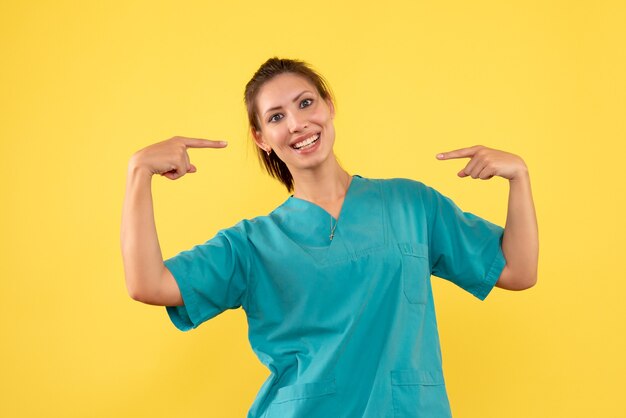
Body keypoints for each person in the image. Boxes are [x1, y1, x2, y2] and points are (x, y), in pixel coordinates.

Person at [121, 57, 538, 418]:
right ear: (261, 139)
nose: (298, 123)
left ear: (329, 106)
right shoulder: (252, 245)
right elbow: (148, 283)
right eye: (276, 116)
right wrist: (139, 173)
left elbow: (518, 270)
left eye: (306, 103)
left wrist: (519, 176)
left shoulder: (412, 205)